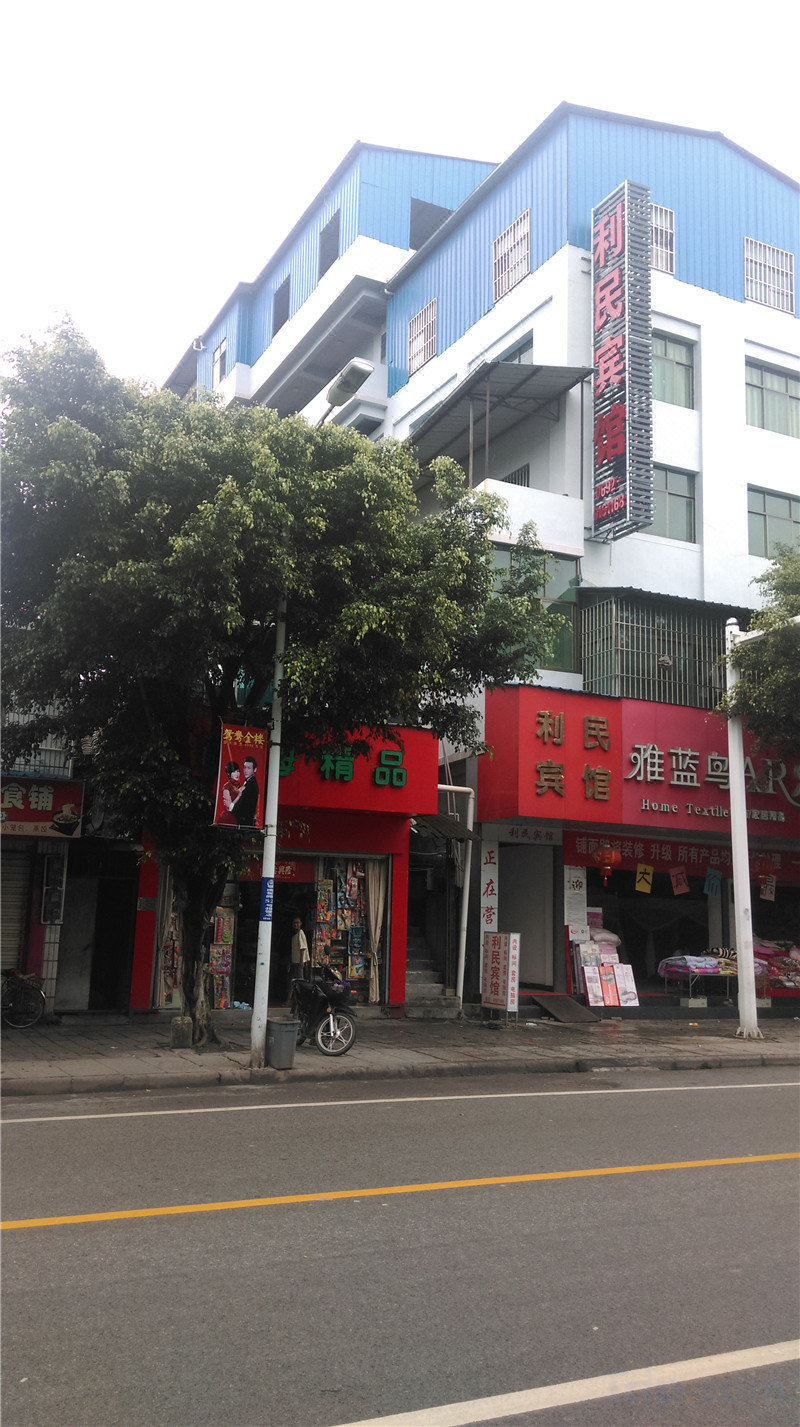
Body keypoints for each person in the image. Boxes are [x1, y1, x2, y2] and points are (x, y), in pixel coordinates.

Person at [232, 755, 259, 827]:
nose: (245, 770)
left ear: (255, 769)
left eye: (249, 768)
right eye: (244, 767)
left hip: (244, 821)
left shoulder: (251, 784)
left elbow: (243, 804)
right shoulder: (248, 782)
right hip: (242, 820)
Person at [219, 761, 241, 825]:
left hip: (238, 818)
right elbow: (230, 808)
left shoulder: (239, 786)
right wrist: (239, 796)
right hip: (228, 819)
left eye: (238, 771)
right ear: (229, 774)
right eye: (233, 772)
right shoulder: (226, 787)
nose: (237, 774)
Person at [290, 917, 310, 985]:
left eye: (297, 923)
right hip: (295, 961)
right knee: (296, 979)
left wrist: (301, 961)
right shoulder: (295, 934)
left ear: (300, 924)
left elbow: (302, 948)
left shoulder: (300, 933)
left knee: (300, 980)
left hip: (299, 961)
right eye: (294, 923)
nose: (296, 924)